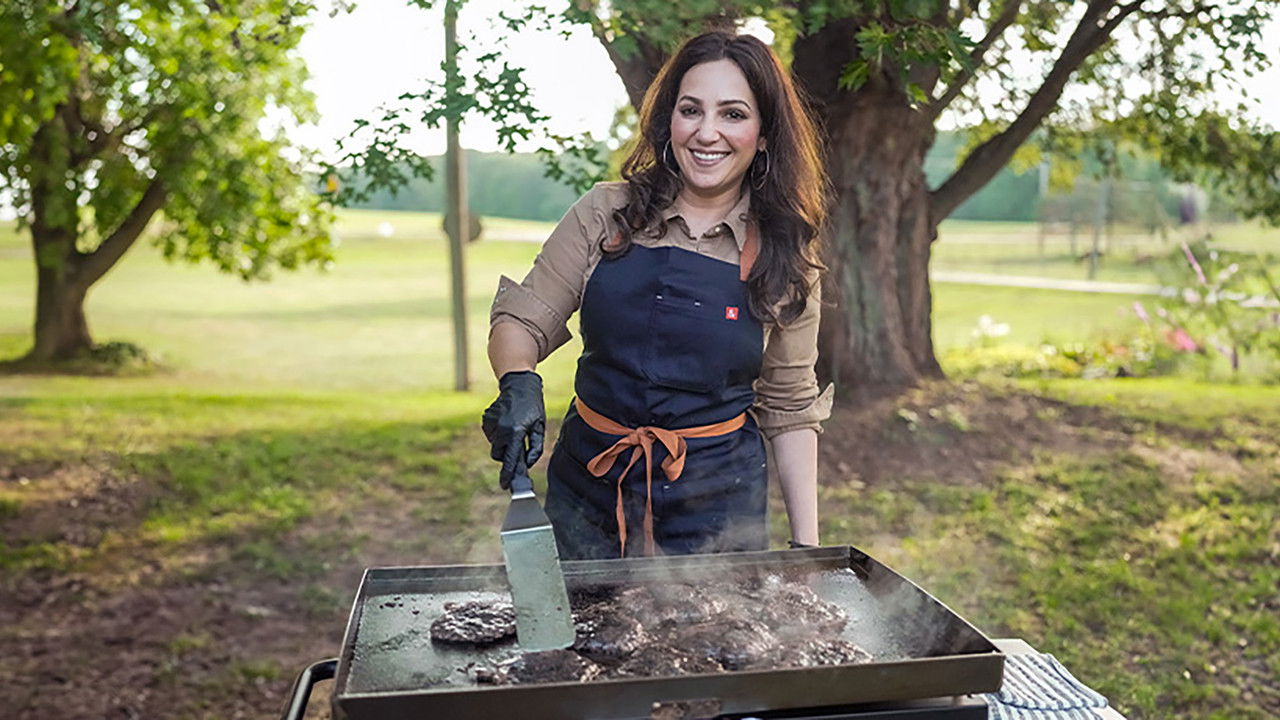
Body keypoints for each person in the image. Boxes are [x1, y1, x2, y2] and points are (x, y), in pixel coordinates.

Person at [483, 31, 832, 560]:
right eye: (691, 110)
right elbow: (524, 319)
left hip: (719, 511)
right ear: (670, 120)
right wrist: (518, 382)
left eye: (733, 114)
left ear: (764, 135)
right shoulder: (606, 213)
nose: (707, 132)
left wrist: (808, 549)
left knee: (717, 640)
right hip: (589, 494)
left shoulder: (786, 253)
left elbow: (790, 408)